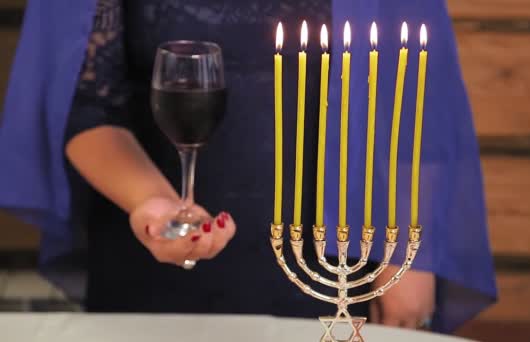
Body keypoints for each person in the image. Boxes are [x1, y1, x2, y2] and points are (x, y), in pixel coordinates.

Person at [0, 0, 496, 333]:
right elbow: (84, 104)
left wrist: (413, 252)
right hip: (155, 246)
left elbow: (416, 96)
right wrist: (154, 204)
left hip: (335, 251)